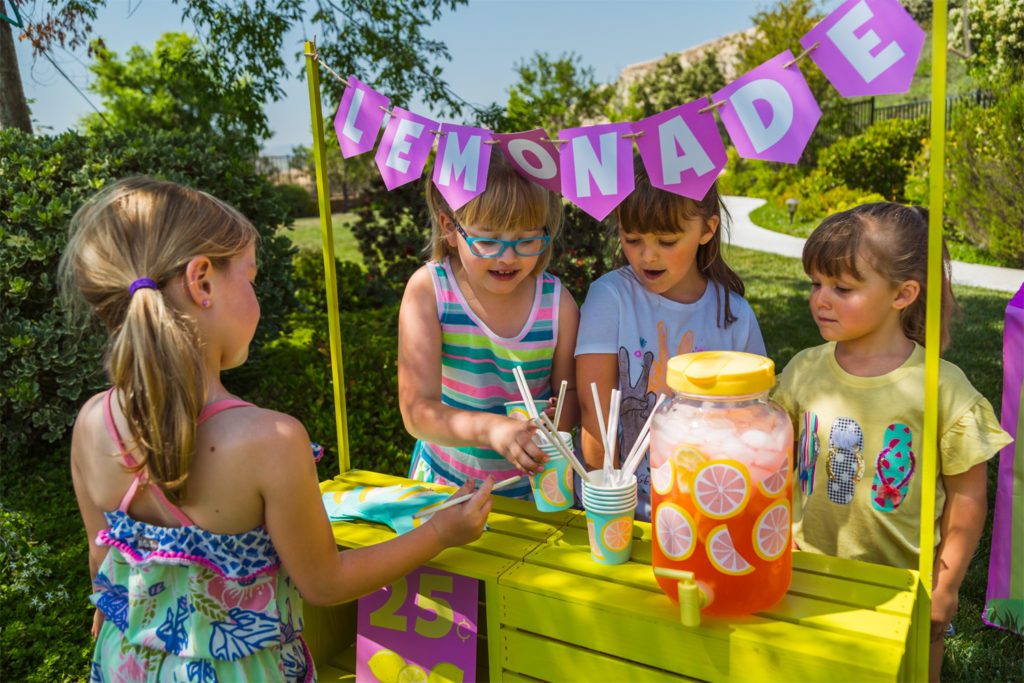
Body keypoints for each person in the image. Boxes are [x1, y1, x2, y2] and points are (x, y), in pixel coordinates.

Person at [63, 177, 493, 682]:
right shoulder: (271, 440)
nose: (256, 295)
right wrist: (441, 532)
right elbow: (325, 584)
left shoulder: (92, 423)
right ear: (202, 282)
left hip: (126, 662)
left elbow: (104, 560)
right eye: (250, 278)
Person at [770, 203, 1012, 682]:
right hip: (807, 573)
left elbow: (968, 498)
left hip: (903, 585)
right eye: (815, 284)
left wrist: (946, 585)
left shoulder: (942, 389)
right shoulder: (803, 370)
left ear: (903, 294)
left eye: (842, 288)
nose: (821, 299)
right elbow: (776, 461)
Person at [575, 164, 765, 522]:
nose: (647, 256)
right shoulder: (609, 297)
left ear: (707, 230)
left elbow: (752, 429)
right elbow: (594, 414)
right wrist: (611, 511)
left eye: (666, 241)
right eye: (632, 239)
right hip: (619, 510)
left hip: (707, 511)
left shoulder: (736, 316)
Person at [399, 152, 580, 499]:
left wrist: (558, 421)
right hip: (446, 486)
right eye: (487, 240)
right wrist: (493, 429)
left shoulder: (559, 306)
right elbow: (416, 411)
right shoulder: (430, 292)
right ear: (451, 228)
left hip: (536, 490)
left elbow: (568, 393)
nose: (507, 256)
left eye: (526, 239)